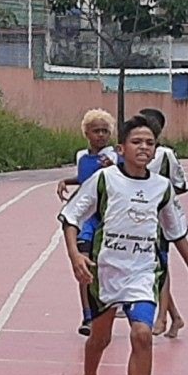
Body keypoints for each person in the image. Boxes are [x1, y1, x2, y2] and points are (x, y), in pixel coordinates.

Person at [58, 114, 188, 375]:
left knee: (142, 334)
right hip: (106, 271)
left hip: (142, 273)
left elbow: (176, 231)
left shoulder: (161, 188)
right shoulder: (104, 180)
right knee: (100, 338)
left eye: (149, 143)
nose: (143, 148)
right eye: (136, 142)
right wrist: (75, 255)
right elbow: (71, 217)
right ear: (121, 149)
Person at [57, 109, 118, 337]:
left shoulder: (112, 158)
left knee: (104, 268)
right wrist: (67, 180)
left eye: (105, 131)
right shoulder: (82, 157)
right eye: (96, 131)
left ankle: (106, 308)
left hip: (106, 219)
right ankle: (87, 315)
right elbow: (85, 180)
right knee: (84, 265)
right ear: (86, 133)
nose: (101, 135)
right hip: (86, 221)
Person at [136, 107, 188, 337]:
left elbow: (180, 184)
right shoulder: (133, 150)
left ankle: (162, 318)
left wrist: (158, 194)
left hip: (158, 222)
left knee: (161, 268)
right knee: (149, 269)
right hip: (136, 219)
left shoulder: (165, 155)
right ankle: (176, 316)